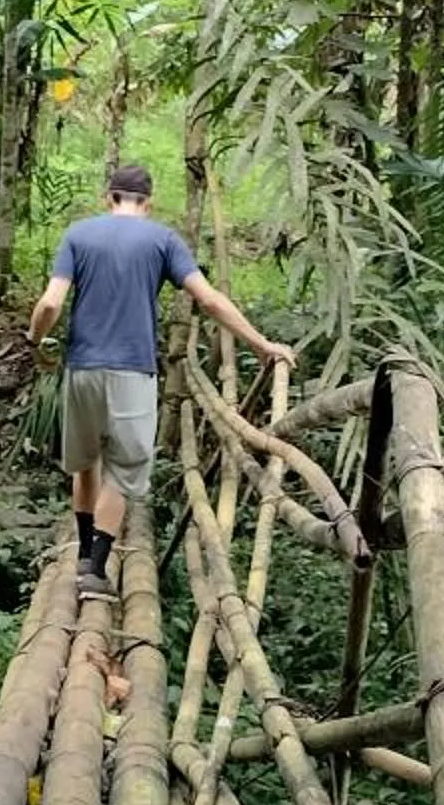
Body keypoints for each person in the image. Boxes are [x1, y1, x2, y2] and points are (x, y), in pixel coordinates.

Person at [27, 163, 293, 594]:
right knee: (124, 467)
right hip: (133, 368)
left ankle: (79, 553)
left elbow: (51, 304)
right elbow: (208, 300)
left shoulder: (77, 235)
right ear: (147, 203)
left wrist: (34, 340)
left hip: (83, 367)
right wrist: (262, 344)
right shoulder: (163, 240)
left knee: (85, 461)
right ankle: (95, 570)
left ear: (107, 197)